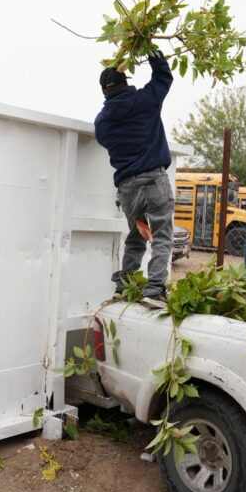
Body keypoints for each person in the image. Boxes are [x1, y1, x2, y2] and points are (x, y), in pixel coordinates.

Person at [94, 51, 174, 304]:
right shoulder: (145, 100)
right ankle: (155, 289)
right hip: (154, 182)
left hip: (128, 189)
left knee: (137, 236)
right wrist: (151, 51)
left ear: (104, 92)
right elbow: (163, 76)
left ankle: (124, 285)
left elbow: (105, 141)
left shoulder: (103, 121)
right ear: (125, 82)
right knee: (161, 234)